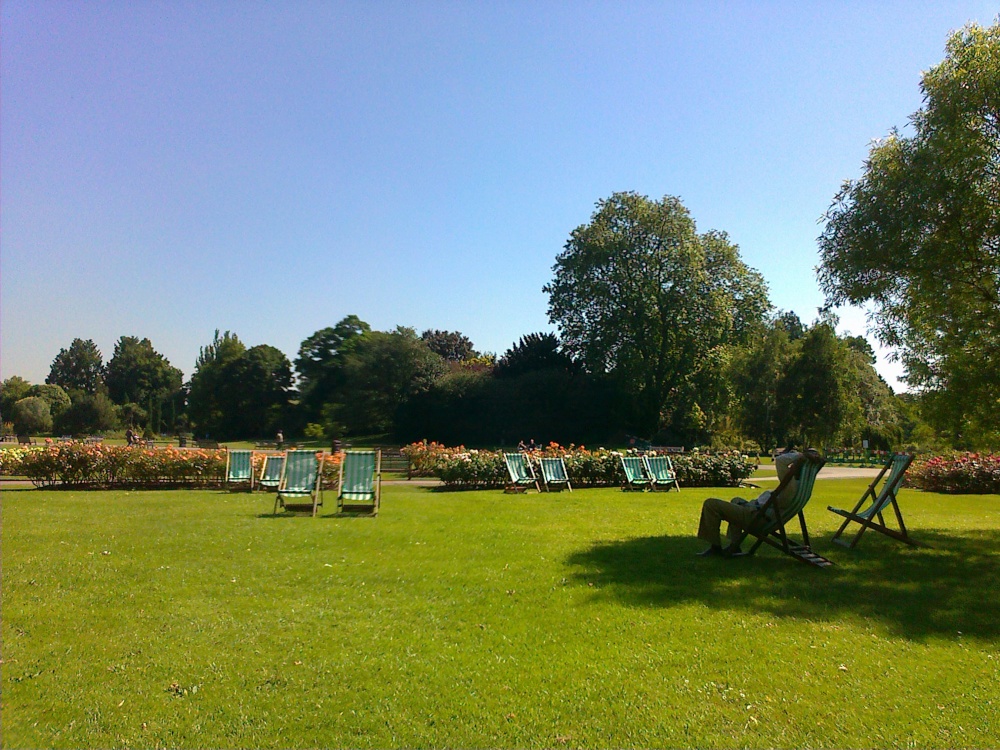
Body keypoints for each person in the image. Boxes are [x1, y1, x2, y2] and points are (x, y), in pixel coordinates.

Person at [696, 448, 819, 557]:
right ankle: (735, 545)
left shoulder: (791, 486)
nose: (792, 465)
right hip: (762, 515)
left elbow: (781, 460)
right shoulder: (801, 486)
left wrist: (800, 455)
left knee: (710, 504)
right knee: (736, 501)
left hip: (756, 517)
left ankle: (715, 548)